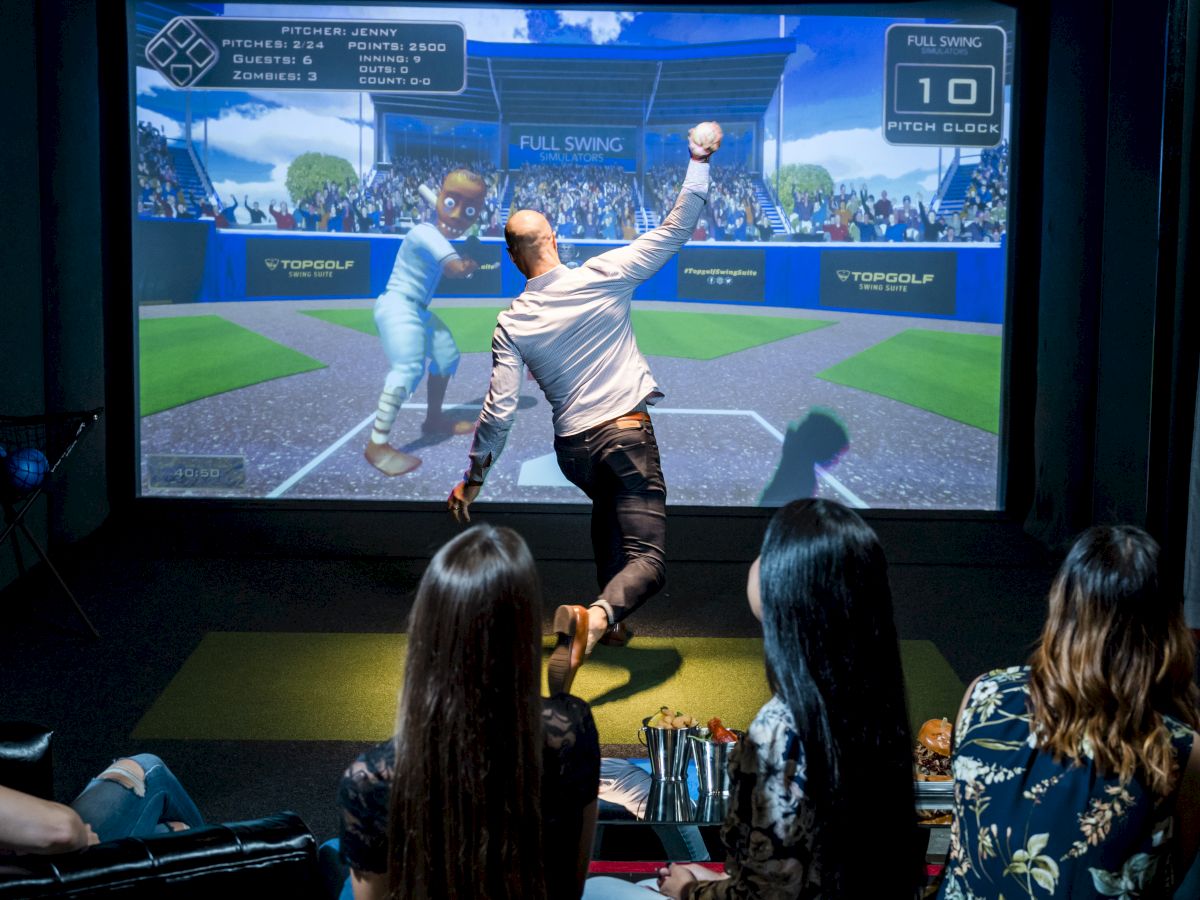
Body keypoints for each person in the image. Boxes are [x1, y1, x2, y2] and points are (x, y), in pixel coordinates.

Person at [445, 122, 723, 696]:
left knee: (606, 504)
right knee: (649, 561)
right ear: (555, 238)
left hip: (574, 452)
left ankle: (609, 621)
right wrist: (698, 159)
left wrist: (473, 480)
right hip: (625, 437)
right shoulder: (603, 274)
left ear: (512, 257)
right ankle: (593, 620)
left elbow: (498, 413)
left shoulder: (511, 321)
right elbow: (675, 230)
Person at [587, 499, 920, 899]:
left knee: (599, 888)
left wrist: (691, 891)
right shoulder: (876, 706)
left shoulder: (779, 727)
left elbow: (766, 895)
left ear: (789, 587)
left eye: (767, 550)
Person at [336, 524, 600, 900]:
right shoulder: (573, 729)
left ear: (427, 629)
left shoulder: (369, 780)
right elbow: (569, 884)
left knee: (336, 859)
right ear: (523, 632)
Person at [939, 525, 1200, 898]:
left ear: (1061, 606)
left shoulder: (983, 695)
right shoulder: (1181, 751)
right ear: (1167, 625)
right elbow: (1170, 874)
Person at [363, 169, 486, 476]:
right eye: (451, 202)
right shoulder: (424, 232)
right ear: (439, 199)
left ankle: (433, 419)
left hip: (418, 310)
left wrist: (468, 254)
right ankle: (377, 445)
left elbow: (454, 262)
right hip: (397, 305)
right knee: (408, 368)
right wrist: (473, 260)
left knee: (446, 354)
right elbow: (456, 269)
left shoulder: (439, 236)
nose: (457, 215)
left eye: (469, 210)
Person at [0, 754, 203, 854]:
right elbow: (61, 830)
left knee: (175, 834)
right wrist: (80, 833)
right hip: (46, 875)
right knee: (149, 768)